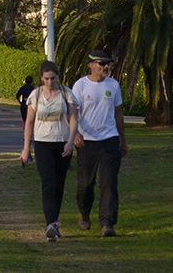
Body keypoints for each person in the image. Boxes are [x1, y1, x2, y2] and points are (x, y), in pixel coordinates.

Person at [20, 60, 78, 241]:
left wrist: (70, 142)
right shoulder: (35, 95)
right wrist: (26, 148)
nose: (50, 82)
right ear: (41, 78)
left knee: (59, 183)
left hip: (62, 142)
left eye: (53, 78)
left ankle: (54, 222)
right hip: (42, 143)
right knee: (48, 181)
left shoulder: (66, 94)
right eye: (46, 78)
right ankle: (50, 223)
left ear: (57, 77)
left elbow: (74, 119)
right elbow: (29, 122)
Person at [73, 49, 127, 238]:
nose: (106, 67)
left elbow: (118, 114)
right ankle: (84, 212)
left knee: (109, 184)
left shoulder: (113, 85)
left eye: (108, 64)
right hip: (86, 142)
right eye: (101, 64)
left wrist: (123, 140)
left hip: (109, 140)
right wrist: (75, 134)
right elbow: (72, 114)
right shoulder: (80, 86)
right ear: (91, 65)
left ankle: (107, 223)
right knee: (85, 185)